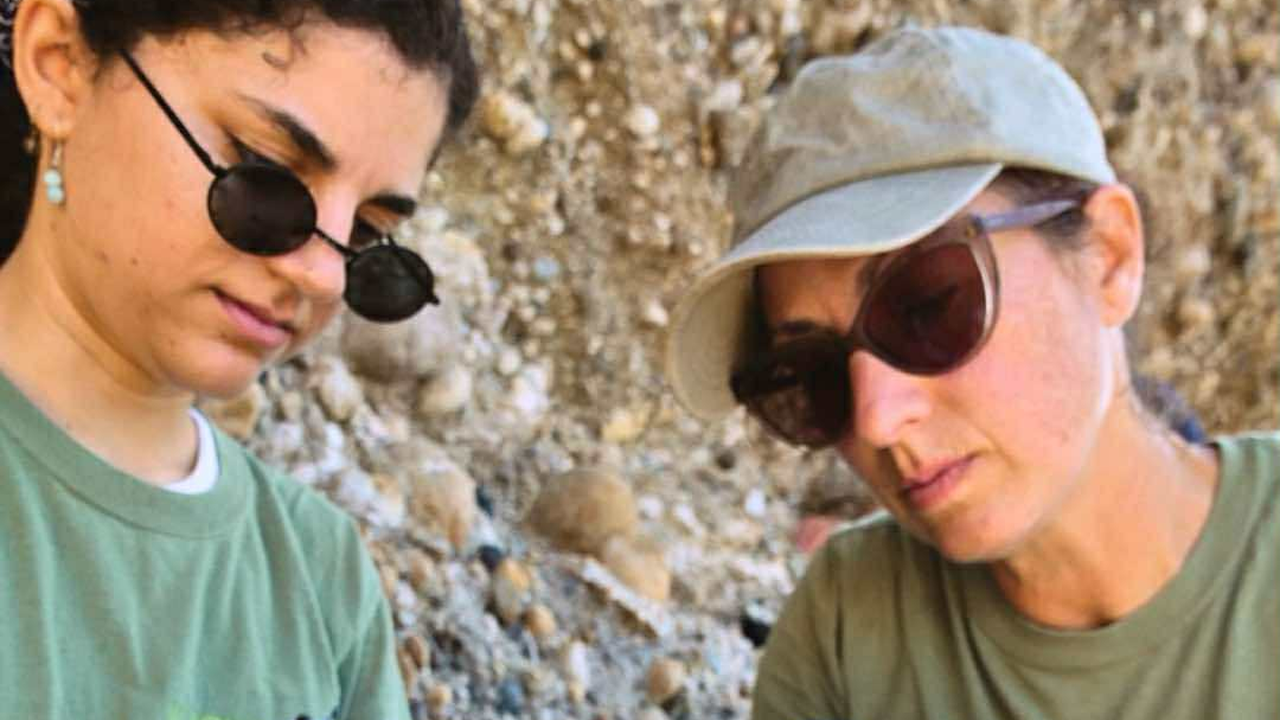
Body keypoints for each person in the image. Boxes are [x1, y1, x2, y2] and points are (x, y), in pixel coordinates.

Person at [665, 26, 1279, 719]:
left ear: (1109, 256)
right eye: (811, 375)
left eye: (928, 307)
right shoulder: (846, 630)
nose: (876, 418)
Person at [0, 0, 477, 717]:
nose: (323, 276)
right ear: (59, 65)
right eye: (266, 171)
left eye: (367, 232)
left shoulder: (322, 576)